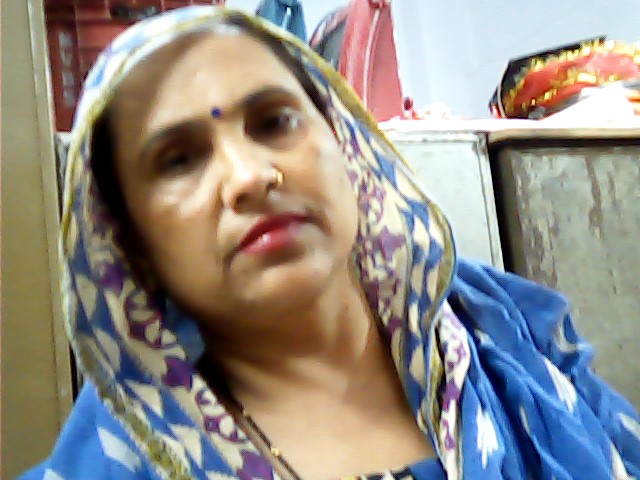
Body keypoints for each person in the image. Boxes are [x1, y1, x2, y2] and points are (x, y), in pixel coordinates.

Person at [22, 7, 639, 480]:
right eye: (178, 159)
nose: (249, 176)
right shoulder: (125, 457)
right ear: (129, 242)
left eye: (274, 122)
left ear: (346, 143)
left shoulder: (501, 339)